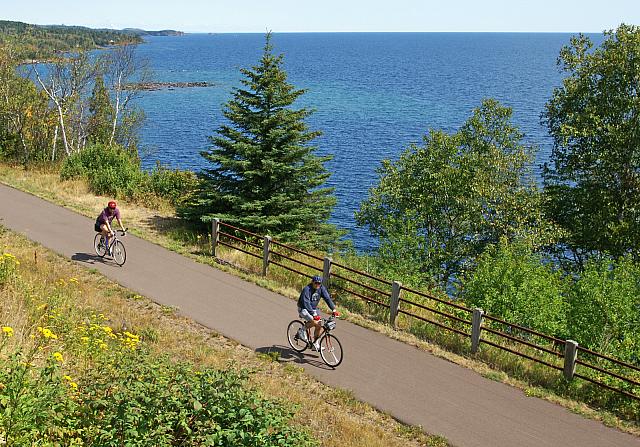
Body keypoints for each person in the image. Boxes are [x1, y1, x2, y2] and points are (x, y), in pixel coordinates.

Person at [297, 275, 339, 351]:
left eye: (319, 283)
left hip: (313, 309)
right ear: (312, 282)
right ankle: (301, 331)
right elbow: (306, 303)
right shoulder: (307, 289)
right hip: (303, 308)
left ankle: (315, 344)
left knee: (319, 325)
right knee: (315, 321)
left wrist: (334, 309)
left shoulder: (321, 288)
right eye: (316, 283)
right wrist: (313, 314)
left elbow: (327, 298)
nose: (317, 285)